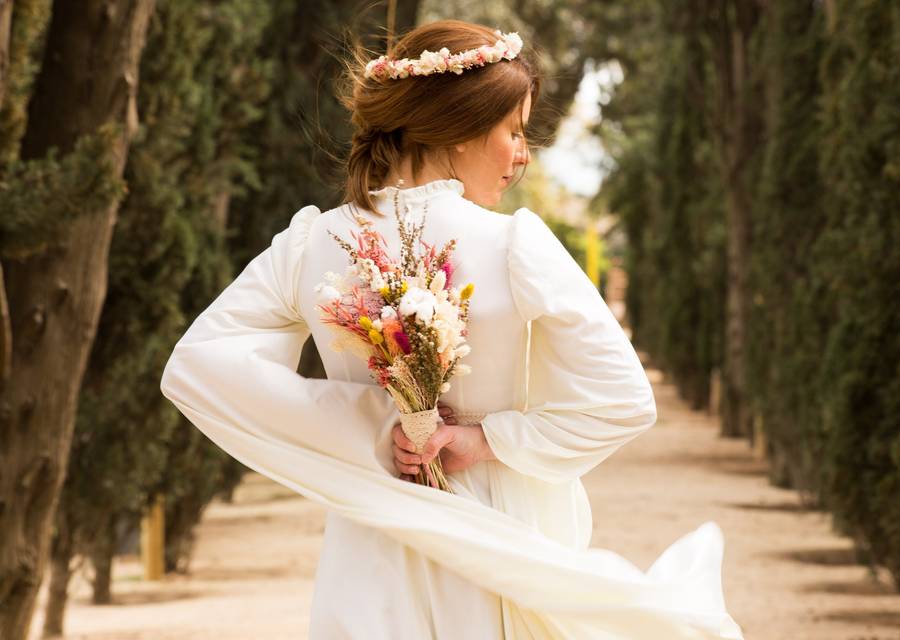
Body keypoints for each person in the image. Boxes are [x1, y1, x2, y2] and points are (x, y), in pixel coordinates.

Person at [160, 19, 743, 640]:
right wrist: (485, 442)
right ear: (460, 128)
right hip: (493, 542)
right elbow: (622, 401)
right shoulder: (514, 244)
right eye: (514, 131)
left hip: (369, 543)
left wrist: (367, 427)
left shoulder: (311, 244)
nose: (523, 154)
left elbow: (196, 367)